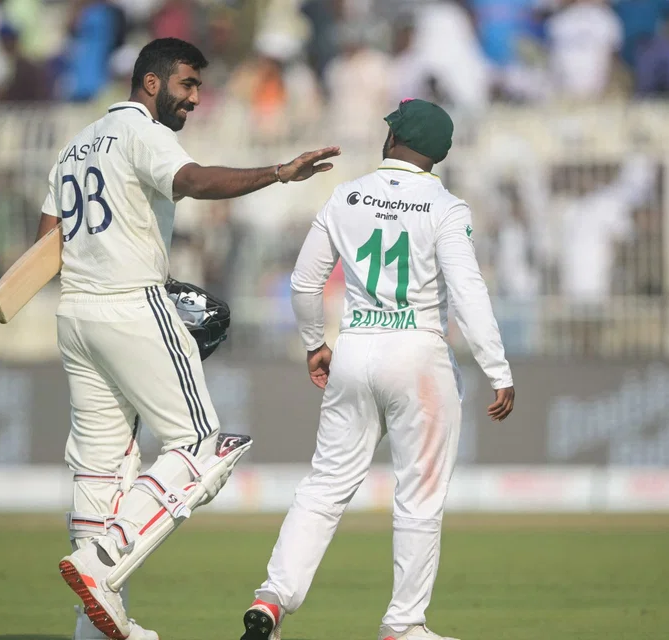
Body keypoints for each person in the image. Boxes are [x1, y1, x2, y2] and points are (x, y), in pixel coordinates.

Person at [33, 37, 339, 640]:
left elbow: (48, 243)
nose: (195, 99)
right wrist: (280, 172)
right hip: (130, 302)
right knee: (202, 446)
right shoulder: (141, 131)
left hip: (74, 313)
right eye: (187, 85)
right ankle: (100, 563)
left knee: (100, 469)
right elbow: (193, 180)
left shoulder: (74, 145)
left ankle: (93, 628)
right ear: (151, 83)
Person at [239, 99, 515, 640]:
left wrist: (316, 343)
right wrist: (497, 368)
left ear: (394, 142)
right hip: (418, 354)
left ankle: (271, 599)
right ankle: (403, 625)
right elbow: (468, 294)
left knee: (324, 486)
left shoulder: (347, 195)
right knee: (419, 495)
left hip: (356, 346)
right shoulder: (447, 206)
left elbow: (302, 284)